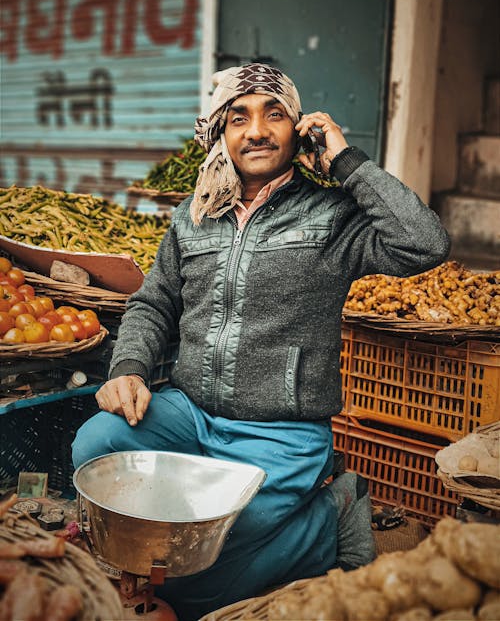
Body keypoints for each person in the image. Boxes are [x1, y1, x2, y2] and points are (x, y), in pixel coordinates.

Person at [72, 63, 450, 620]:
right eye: (240, 117)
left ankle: (331, 513)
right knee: (95, 447)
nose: (257, 130)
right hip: (191, 413)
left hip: (282, 431)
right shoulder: (194, 218)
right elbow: (154, 304)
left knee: (200, 580)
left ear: (299, 131)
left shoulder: (332, 215)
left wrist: (346, 162)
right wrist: (128, 367)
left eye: (275, 115)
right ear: (220, 134)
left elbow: (425, 243)